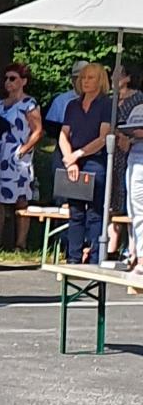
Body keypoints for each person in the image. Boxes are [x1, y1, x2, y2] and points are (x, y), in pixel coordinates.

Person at [0, 62, 43, 251]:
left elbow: (38, 130)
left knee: (20, 199)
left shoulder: (29, 104)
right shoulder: (0, 104)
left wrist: (24, 149)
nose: (8, 82)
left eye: (13, 78)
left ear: (23, 81)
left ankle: (20, 243)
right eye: (6, 79)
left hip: (17, 156)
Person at [57, 60, 112, 264]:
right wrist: (69, 160)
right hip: (73, 161)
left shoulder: (106, 104)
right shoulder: (73, 105)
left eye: (91, 78)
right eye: (83, 78)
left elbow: (102, 138)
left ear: (100, 81)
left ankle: (95, 258)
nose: (86, 82)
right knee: (76, 212)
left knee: (95, 212)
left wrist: (77, 154)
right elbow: (63, 134)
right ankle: (73, 257)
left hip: (94, 160)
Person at [117, 71, 143, 270]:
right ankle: (136, 254)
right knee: (134, 208)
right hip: (133, 160)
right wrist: (129, 137)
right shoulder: (138, 109)